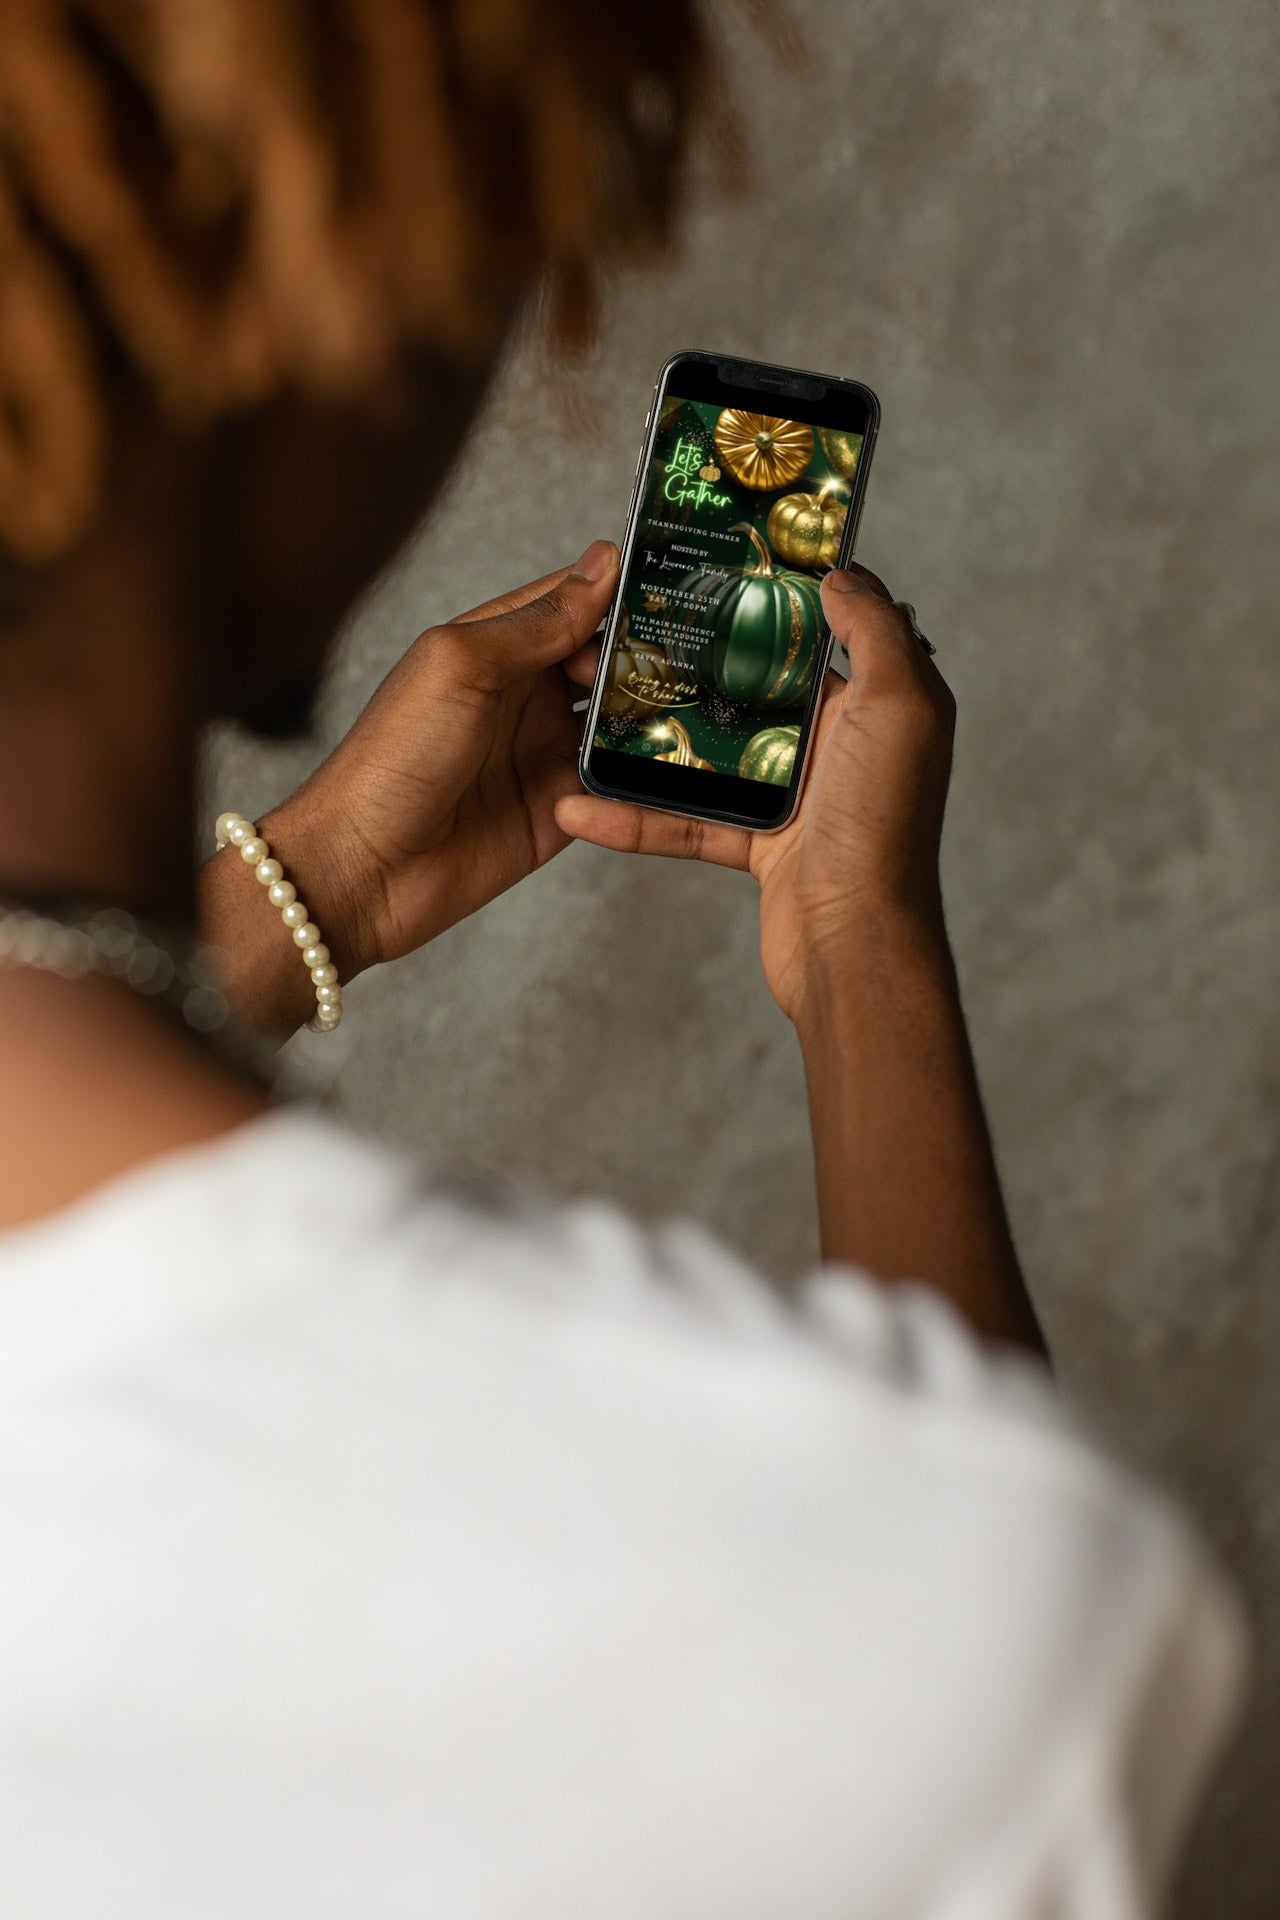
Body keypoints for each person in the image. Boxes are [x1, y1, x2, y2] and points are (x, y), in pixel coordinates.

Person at [0, 2, 1245, 1915]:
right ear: (332, 301)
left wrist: (303, 890)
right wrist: (853, 948)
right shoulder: (941, 1609)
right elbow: (944, 1585)